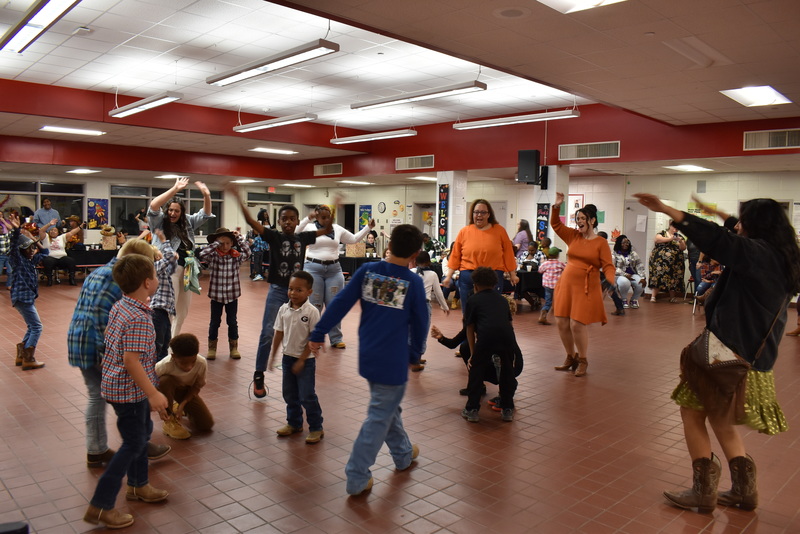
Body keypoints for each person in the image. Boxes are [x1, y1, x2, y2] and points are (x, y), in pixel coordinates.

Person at [634, 192, 799, 515]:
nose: (737, 226)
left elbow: (722, 241)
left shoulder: (756, 254)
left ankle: (703, 491)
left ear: (754, 226)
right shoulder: (784, 256)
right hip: (755, 356)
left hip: (727, 351)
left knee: (692, 412)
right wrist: (719, 214)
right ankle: (743, 490)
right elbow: (729, 235)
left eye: (742, 222)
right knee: (721, 418)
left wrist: (670, 210)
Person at [308, 224, 427, 496]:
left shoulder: (367, 271)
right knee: (379, 414)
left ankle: (403, 453)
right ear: (415, 253)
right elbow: (421, 323)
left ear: (390, 243)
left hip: (369, 356)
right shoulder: (414, 282)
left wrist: (319, 332)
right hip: (393, 360)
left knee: (386, 407)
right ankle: (357, 475)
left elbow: (339, 303)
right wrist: (415, 354)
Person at [83, 254, 170, 530]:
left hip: (122, 388)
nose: (157, 279)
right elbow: (131, 360)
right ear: (147, 282)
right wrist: (154, 394)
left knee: (142, 435)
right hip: (129, 392)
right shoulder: (140, 319)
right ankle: (101, 505)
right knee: (133, 443)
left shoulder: (122, 306)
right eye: (155, 276)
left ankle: (138, 485)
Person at [68, 237, 171, 467]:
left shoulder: (98, 271)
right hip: (98, 345)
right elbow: (111, 322)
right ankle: (140, 446)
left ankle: (96, 450)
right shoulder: (121, 280)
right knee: (133, 398)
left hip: (78, 340)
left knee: (97, 397)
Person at [228, 186, 331, 399]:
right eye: (284, 219)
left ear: (297, 221)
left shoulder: (303, 238)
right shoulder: (273, 236)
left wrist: (329, 209)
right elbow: (251, 223)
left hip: (299, 294)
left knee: (300, 331)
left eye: (292, 219)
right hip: (277, 290)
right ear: (279, 220)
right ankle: (259, 374)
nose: (288, 222)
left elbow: (326, 228)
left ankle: (300, 363)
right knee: (267, 333)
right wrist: (239, 199)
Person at [550, 193, 615, 377]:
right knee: (562, 321)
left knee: (577, 324)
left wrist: (610, 279)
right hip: (566, 284)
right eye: (577, 219)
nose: (579, 222)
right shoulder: (573, 236)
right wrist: (556, 207)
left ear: (592, 220)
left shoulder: (601, 242)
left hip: (586, 285)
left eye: (582, 219)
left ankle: (583, 360)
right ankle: (571, 357)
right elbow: (555, 225)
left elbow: (608, 265)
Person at [297, 204, 374, 349]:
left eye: (329, 217)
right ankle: (314, 337)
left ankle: (336, 338)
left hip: (334, 269)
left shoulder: (337, 228)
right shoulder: (310, 228)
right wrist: (307, 219)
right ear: (317, 216)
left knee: (334, 305)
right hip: (313, 268)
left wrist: (368, 228)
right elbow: (295, 232)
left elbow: (353, 239)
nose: (327, 220)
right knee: (315, 305)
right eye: (323, 217)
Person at [149, 177, 215, 336]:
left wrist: (206, 195)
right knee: (168, 308)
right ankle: (161, 343)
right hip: (168, 271)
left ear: (181, 212)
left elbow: (205, 214)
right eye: (170, 210)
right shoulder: (158, 222)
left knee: (182, 310)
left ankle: (173, 342)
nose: (172, 213)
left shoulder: (188, 221)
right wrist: (175, 189)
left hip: (188, 270)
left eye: (176, 211)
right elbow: (153, 206)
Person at [269, 271, 324, 444]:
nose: (293, 293)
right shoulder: (283, 309)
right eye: (291, 289)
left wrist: (301, 360)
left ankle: (316, 427)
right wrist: (273, 356)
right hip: (287, 358)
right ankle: (294, 423)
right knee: (289, 394)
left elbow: (314, 338)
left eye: (298, 290)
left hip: (305, 362)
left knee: (307, 395)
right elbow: (279, 332)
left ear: (309, 292)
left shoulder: (312, 312)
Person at [461, 266, 519, 423]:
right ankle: (507, 409)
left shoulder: (473, 299)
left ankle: (472, 409)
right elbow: (509, 324)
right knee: (507, 372)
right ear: (494, 284)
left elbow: (470, 328)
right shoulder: (502, 299)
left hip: (486, 337)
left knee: (476, 371)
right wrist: (512, 349)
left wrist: (473, 354)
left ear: (475, 284)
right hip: (507, 338)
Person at [442, 199, 519, 308]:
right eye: (476, 212)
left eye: (483, 212)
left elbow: (508, 253)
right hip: (468, 275)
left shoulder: (499, 230)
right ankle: (468, 325)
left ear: (489, 214)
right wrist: (448, 276)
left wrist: (513, 274)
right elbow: (455, 255)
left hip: (493, 275)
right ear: (472, 214)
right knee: (468, 310)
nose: (479, 215)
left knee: (490, 310)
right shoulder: (464, 231)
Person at [199, 227, 251, 360]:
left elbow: (248, 252)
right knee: (214, 322)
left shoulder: (235, 257)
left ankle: (234, 347)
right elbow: (202, 254)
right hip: (216, 296)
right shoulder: (213, 256)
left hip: (232, 296)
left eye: (228, 243)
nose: (225, 246)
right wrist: (217, 243)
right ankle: (212, 348)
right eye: (222, 243)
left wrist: (239, 238)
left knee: (232, 322)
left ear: (232, 243)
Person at [8, 214, 48, 370]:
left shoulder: (31, 261)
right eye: (29, 248)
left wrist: (32, 238)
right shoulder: (18, 261)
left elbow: (44, 253)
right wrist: (17, 230)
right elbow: (13, 247)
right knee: (37, 327)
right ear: (21, 251)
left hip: (27, 298)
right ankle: (29, 359)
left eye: (32, 248)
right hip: (22, 298)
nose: (32, 251)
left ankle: (21, 355)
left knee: (31, 327)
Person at [156, 333, 214, 440]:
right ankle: (169, 420)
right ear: (173, 357)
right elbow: (151, 385)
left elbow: (197, 387)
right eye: (183, 363)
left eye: (193, 361)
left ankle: (176, 406)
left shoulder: (201, 363)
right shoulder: (163, 365)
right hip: (165, 389)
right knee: (164, 380)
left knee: (206, 424)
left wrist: (183, 404)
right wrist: (161, 408)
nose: (189, 367)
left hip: (185, 391)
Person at [411, 251, 449, 367]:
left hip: (411, 305)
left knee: (410, 332)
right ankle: (417, 359)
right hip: (424, 306)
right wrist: (444, 306)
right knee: (422, 332)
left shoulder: (411, 272)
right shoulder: (433, 274)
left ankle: (411, 357)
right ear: (428, 262)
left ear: (415, 262)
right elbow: (438, 293)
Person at [151, 231, 177, 362]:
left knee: (166, 342)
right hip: (157, 311)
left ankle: (161, 370)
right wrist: (163, 240)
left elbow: (172, 265)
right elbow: (169, 257)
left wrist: (174, 258)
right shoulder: (154, 267)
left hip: (164, 312)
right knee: (158, 345)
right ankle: (154, 372)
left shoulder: (161, 269)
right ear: (156, 257)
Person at [648, 220, 686, 303]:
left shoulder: (680, 236)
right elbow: (657, 240)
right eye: (674, 227)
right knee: (658, 276)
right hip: (660, 261)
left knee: (674, 278)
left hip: (676, 262)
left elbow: (683, 248)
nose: (675, 230)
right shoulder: (662, 233)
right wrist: (671, 238)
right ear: (670, 226)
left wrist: (680, 241)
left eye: (677, 228)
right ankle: (653, 296)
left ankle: (672, 297)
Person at [39, 218, 81, 285]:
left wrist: (80, 227)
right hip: (50, 257)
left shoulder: (61, 237)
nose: (53, 231)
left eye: (55, 230)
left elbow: (72, 232)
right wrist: (49, 224)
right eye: (51, 230)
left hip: (62, 257)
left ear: (58, 233)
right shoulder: (45, 237)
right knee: (47, 261)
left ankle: (72, 279)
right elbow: (41, 231)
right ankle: (49, 280)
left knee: (71, 261)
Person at [612, 234, 646, 309]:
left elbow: (639, 265)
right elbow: (613, 267)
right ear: (619, 244)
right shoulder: (614, 254)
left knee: (641, 282)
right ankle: (623, 299)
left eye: (627, 242)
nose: (626, 244)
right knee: (624, 282)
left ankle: (634, 299)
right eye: (623, 243)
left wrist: (643, 277)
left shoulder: (633, 254)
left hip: (632, 274)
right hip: (619, 275)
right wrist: (624, 274)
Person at [538, 246, 565, 325]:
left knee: (548, 300)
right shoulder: (560, 264)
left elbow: (540, 270)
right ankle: (561, 315)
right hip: (557, 285)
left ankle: (544, 313)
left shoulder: (545, 263)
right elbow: (567, 270)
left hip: (547, 285)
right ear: (557, 255)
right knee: (559, 300)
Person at [0, 210, 13, 289]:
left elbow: (11, 229)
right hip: (0, 256)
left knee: (10, 271)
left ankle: (9, 285)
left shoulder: (6, 235)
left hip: (8, 255)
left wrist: (3, 221)